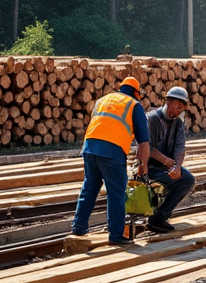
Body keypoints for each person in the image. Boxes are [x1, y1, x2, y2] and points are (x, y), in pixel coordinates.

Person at [72, 76, 150, 244]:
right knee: (116, 193)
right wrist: (142, 166)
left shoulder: (102, 100)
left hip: (89, 147)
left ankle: (78, 227)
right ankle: (116, 235)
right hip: (112, 151)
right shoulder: (134, 105)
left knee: (90, 187)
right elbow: (143, 141)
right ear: (137, 93)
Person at [145, 86, 197, 233]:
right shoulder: (152, 119)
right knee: (171, 181)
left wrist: (178, 167)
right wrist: (165, 161)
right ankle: (151, 212)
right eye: (177, 107)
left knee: (187, 180)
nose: (178, 111)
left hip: (165, 168)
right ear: (169, 102)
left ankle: (159, 217)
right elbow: (146, 147)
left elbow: (180, 147)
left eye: (181, 109)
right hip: (149, 168)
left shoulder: (177, 123)